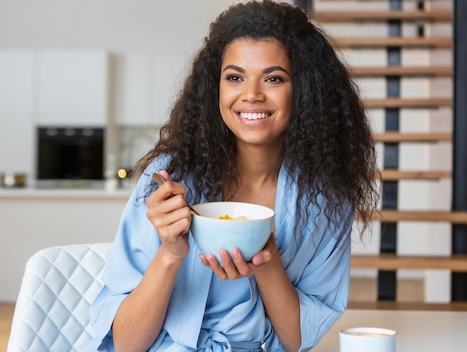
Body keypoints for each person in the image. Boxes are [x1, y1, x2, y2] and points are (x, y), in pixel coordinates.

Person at [87, 1, 378, 351]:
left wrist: (266, 261)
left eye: (273, 78)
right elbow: (127, 344)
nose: (251, 94)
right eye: (235, 77)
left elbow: (296, 338)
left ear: (304, 90)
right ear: (216, 88)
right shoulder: (170, 179)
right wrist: (170, 253)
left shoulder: (324, 200)